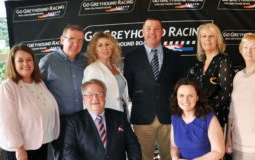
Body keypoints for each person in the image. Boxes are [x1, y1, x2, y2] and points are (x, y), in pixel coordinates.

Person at [123, 17, 181, 160]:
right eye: (148, 28)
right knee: (143, 157)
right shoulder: (131, 57)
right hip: (142, 118)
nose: (152, 32)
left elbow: (179, 86)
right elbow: (128, 87)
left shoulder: (174, 57)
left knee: (170, 156)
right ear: (142, 32)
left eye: (156, 28)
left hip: (169, 116)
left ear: (162, 32)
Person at [0, 44, 60, 160]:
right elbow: (8, 123)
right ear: (13, 63)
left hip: (39, 144)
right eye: (20, 60)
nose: (25, 64)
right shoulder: (7, 87)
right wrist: (19, 149)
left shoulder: (39, 82)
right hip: (21, 149)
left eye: (29, 60)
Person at [39, 24, 86, 160]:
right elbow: (36, 91)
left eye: (80, 40)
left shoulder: (86, 61)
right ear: (61, 40)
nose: (76, 44)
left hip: (84, 119)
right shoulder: (48, 62)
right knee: (62, 156)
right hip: (61, 122)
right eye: (71, 39)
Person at [63, 79, 141, 160]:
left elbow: (133, 145)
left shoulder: (120, 117)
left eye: (98, 93)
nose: (95, 98)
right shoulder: (73, 121)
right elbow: (69, 152)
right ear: (83, 98)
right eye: (90, 95)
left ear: (104, 95)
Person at [187, 23, 233, 127]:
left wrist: (205, 109)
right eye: (204, 36)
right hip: (197, 118)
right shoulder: (199, 64)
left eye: (211, 36)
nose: (207, 39)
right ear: (200, 41)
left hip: (215, 117)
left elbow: (226, 93)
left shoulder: (223, 60)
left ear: (218, 39)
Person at [170, 78, 225, 160]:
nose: (185, 100)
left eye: (190, 96)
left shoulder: (209, 119)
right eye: (181, 95)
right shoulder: (175, 118)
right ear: (176, 97)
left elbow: (218, 151)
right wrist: (175, 158)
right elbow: (174, 146)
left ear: (197, 97)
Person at [83, 32, 131, 115]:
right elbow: (89, 99)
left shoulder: (116, 67)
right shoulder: (92, 69)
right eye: (100, 45)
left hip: (122, 113)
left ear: (112, 47)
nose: (105, 48)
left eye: (107, 44)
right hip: (105, 116)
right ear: (95, 49)